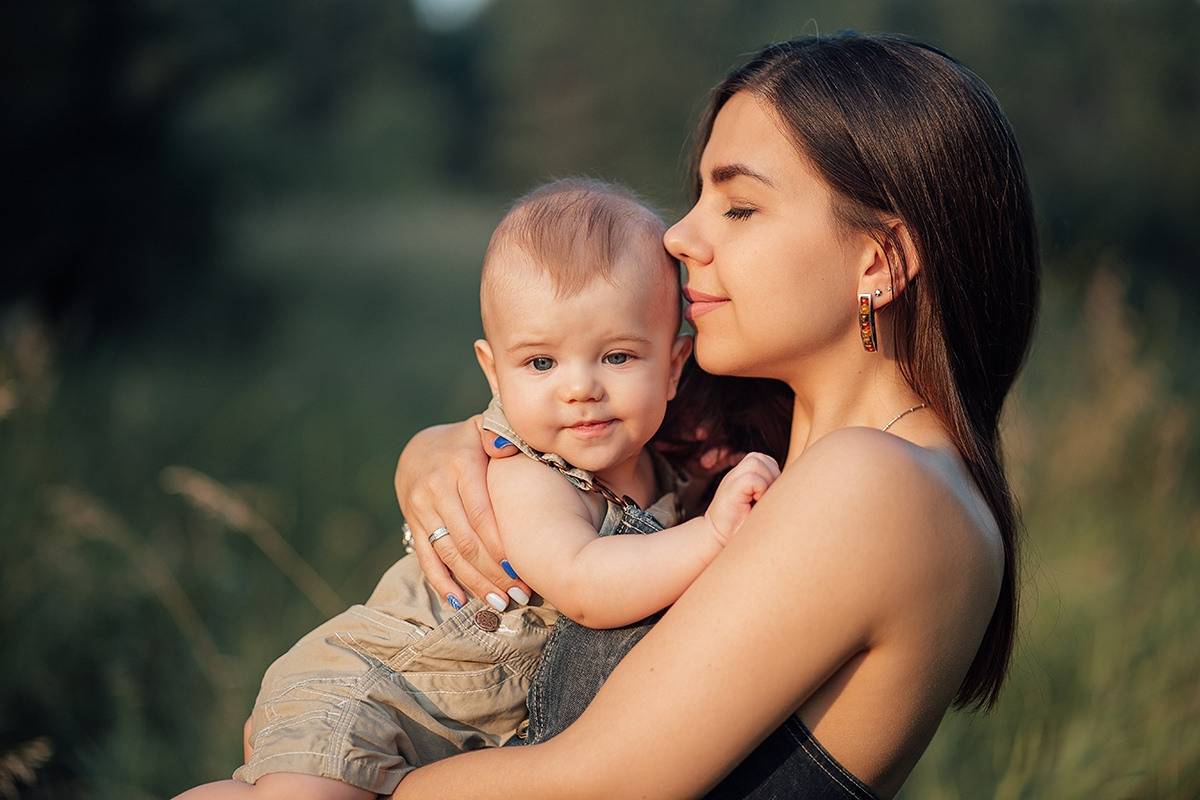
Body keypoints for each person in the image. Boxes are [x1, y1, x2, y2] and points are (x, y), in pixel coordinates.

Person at [389, 32, 1040, 799]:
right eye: (698, 197)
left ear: (880, 261)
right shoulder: (774, 460)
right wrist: (443, 451)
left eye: (738, 206)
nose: (679, 234)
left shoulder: (879, 479)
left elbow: (594, 784)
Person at [172, 178, 779, 800]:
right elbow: (589, 584)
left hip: (445, 730)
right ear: (493, 370)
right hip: (376, 692)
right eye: (541, 363)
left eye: (618, 357)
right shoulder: (529, 473)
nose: (580, 388)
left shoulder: (669, 477)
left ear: (674, 367)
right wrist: (710, 536)